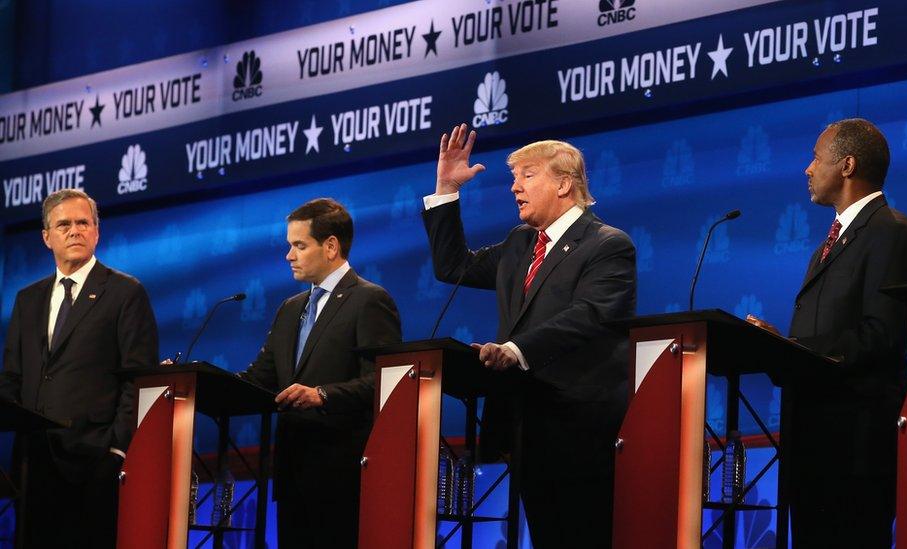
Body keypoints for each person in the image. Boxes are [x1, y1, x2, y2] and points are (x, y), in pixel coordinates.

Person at [421, 124, 636, 548]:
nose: (515, 187)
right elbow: (452, 266)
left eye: (527, 176)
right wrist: (446, 188)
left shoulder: (607, 245)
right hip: (527, 427)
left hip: (582, 430)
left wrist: (516, 350)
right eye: (514, 178)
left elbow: (590, 315)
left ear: (564, 183)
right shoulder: (522, 243)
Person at [747, 118, 907, 547]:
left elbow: (883, 333)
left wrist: (792, 350)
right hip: (814, 442)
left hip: (856, 447)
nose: (807, 169)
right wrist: (781, 351)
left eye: (815, 157)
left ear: (846, 165)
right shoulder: (828, 244)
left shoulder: (890, 231)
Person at [237, 198, 401, 549]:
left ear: (330, 246)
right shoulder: (290, 308)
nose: (289, 256)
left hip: (342, 473)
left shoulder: (369, 300)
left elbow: (384, 382)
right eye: (289, 246)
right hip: (293, 471)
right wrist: (194, 383)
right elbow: (257, 380)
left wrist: (321, 395)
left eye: (299, 245)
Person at [0, 189, 159, 547]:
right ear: (46, 237)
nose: (75, 231)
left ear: (96, 232)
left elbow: (139, 379)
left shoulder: (124, 292)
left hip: (94, 462)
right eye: (64, 224)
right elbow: (12, 377)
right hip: (33, 463)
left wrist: (116, 451)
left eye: (83, 222)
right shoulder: (27, 299)